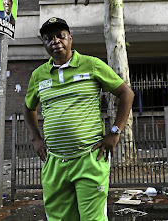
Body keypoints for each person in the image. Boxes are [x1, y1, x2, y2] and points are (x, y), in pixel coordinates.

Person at [24, 17, 134, 221]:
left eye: (60, 36)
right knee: (59, 218)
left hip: (89, 159)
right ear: (44, 45)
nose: (55, 41)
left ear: (70, 39)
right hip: (55, 161)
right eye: (49, 38)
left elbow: (126, 94)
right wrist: (36, 139)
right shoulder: (39, 75)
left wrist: (115, 132)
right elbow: (29, 108)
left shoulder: (91, 65)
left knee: (92, 219)